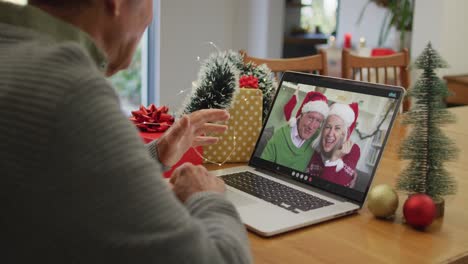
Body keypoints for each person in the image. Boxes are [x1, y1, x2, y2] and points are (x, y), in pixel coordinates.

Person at [0, 1, 251, 263]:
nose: (150, 17)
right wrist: (205, 195)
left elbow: (66, 173)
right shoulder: (69, 91)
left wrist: (156, 155)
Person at [261, 90, 329, 172]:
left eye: (318, 121)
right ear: (302, 115)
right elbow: (262, 169)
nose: (312, 126)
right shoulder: (279, 136)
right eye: (310, 118)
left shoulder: (317, 138)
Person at [306, 103, 361, 187]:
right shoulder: (317, 149)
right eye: (328, 127)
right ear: (323, 129)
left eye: (337, 128)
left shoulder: (354, 150)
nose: (330, 134)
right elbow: (316, 187)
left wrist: (334, 158)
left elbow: (332, 188)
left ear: (343, 133)